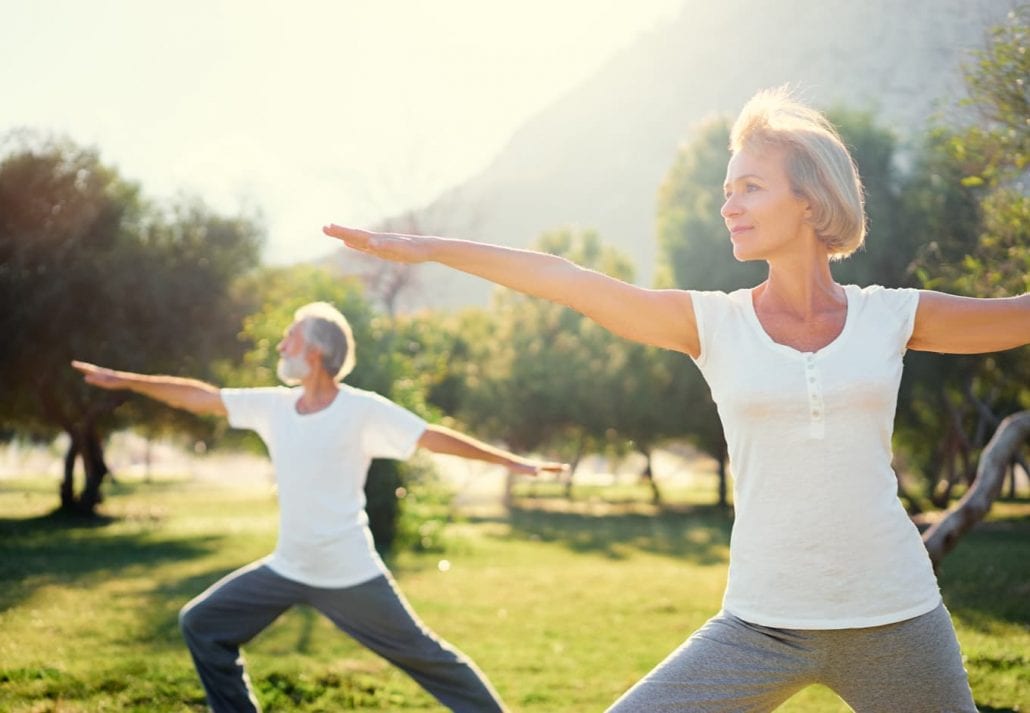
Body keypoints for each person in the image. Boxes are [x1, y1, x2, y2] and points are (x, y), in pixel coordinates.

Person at [323, 87, 1029, 712]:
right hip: (761, 624)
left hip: (896, 617)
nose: (728, 205)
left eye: (749, 186)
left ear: (809, 199)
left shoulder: (891, 315)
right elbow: (566, 279)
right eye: (726, 189)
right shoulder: (713, 324)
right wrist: (427, 246)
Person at [72, 301, 566, 713]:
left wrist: (514, 463)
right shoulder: (275, 405)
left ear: (315, 352)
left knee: (429, 659)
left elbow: (431, 437)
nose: (281, 346)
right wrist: (126, 380)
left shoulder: (361, 409)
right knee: (202, 624)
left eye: (290, 337)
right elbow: (201, 397)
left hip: (348, 571)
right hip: (288, 566)